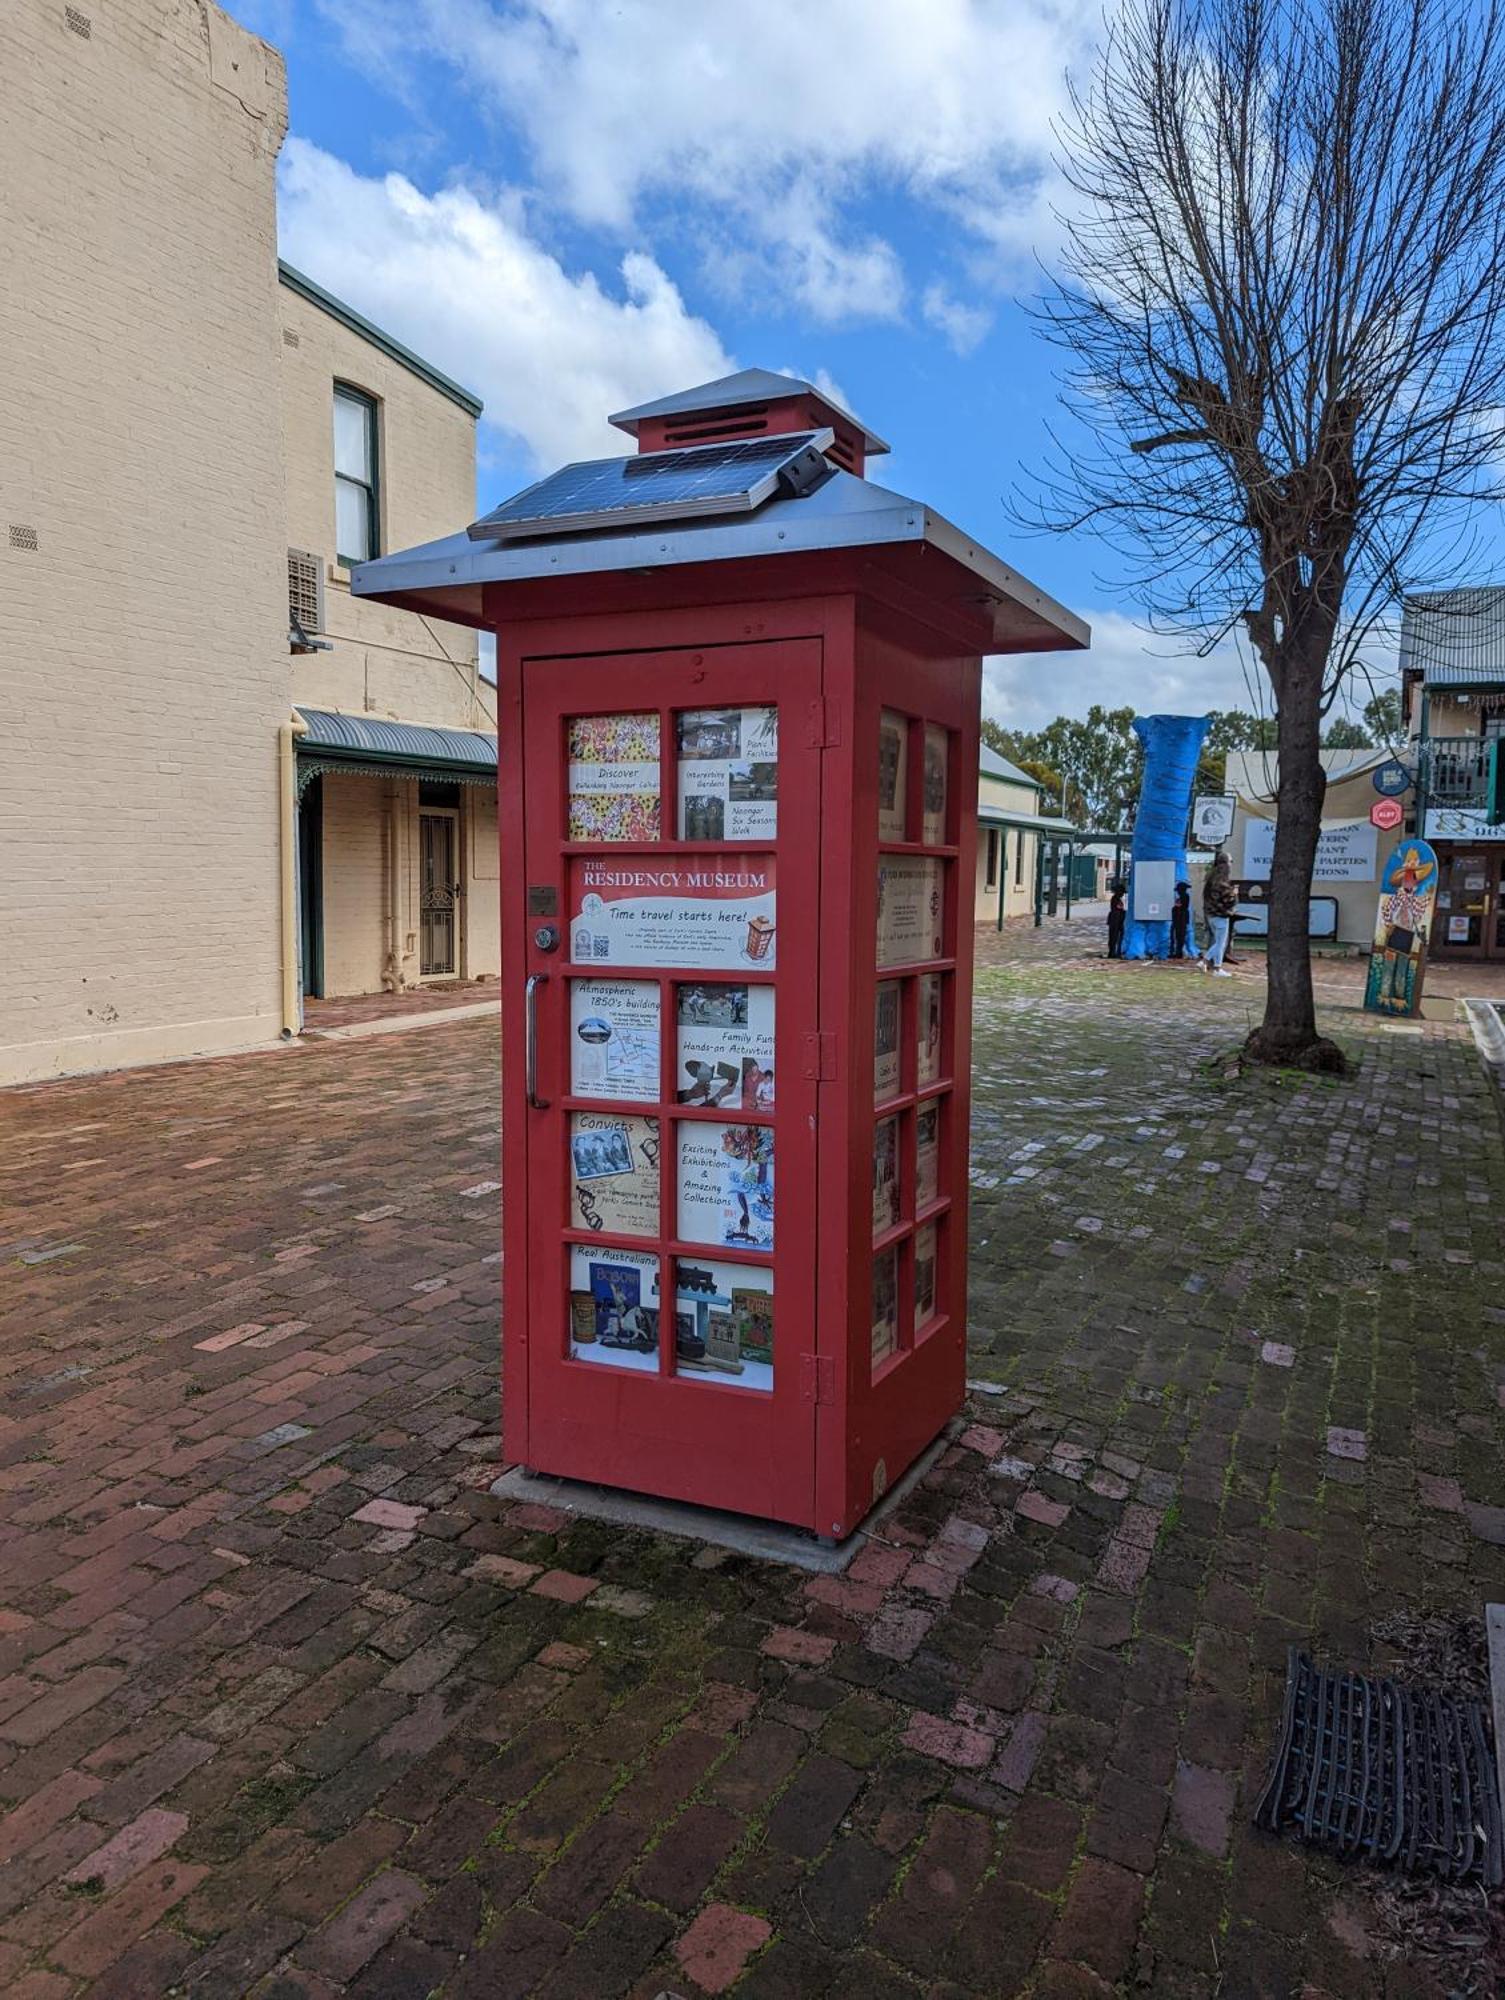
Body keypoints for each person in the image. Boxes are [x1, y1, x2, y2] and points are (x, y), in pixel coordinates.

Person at [1201, 852, 1237, 976]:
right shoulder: (1222, 882)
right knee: (1220, 943)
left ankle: (1217, 967)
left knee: (1218, 942)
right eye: (1230, 861)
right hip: (1220, 916)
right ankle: (1207, 961)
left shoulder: (1210, 879)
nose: (1231, 864)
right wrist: (1235, 893)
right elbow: (1229, 900)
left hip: (1210, 915)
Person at [1169, 881, 1192, 960]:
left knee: (1179, 936)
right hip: (1181, 919)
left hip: (1180, 919)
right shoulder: (1184, 897)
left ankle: (1178, 952)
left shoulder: (1184, 897)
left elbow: (1178, 907)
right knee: (1179, 936)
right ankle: (1178, 952)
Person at [1106, 883, 1126, 958]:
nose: (1123, 894)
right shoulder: (1115, 899)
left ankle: (1115, 951)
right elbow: (1118, 908)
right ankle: (1112, 952)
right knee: (1113, 936)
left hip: (1117, 919)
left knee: (1116, 936)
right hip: (1115, 919)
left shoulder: (1117, 899)